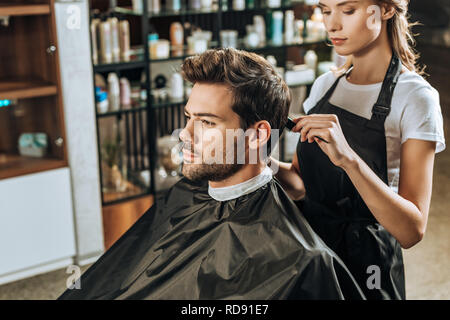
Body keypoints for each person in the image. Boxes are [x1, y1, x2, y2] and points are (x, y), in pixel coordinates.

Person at [58, 48, 365, 300]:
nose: (184, 135)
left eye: (206, 122)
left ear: (257, 136)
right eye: (189, 117)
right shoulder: (186, 195)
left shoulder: (303, 261)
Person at [271, 0, 446, 300]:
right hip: (314, 255)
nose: (332, 24)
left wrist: (349, 159)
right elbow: (301, 185)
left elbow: (410, 231)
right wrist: (260, 162)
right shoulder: (325, 84)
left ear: (386, 10)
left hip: (368, 268)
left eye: (347, 10)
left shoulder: (416, 97)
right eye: (325, 10)